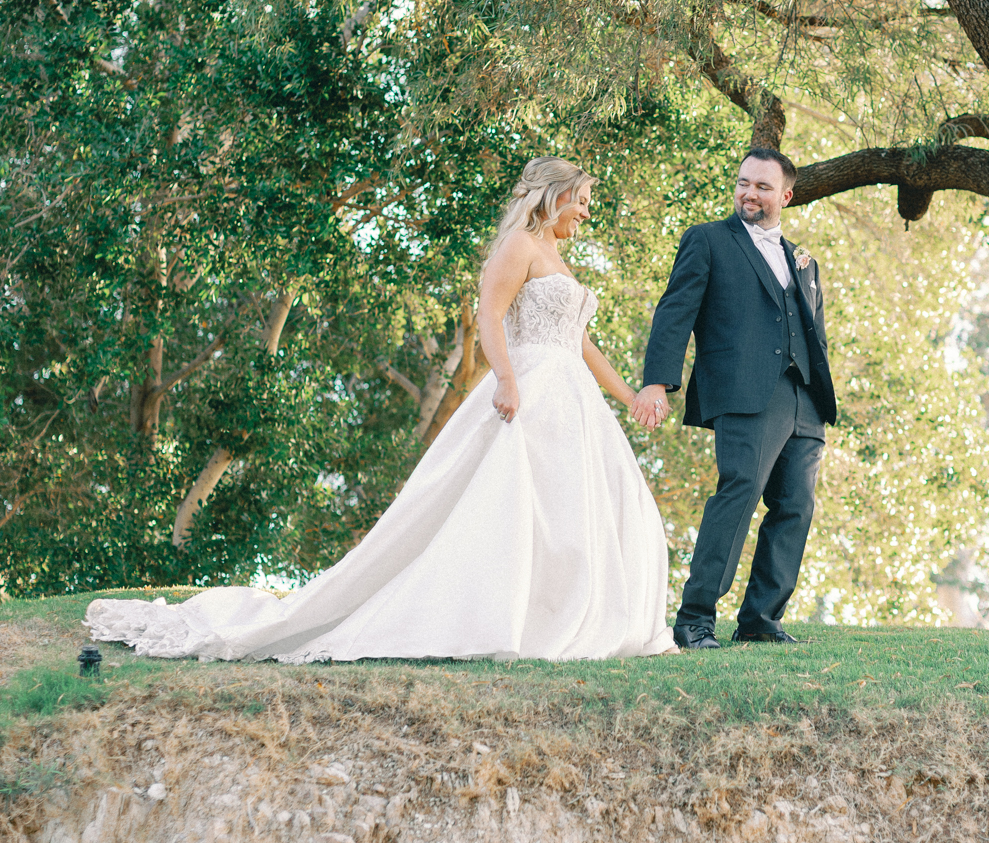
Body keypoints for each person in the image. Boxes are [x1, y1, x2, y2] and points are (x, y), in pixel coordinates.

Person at [87, 158, 676, 663]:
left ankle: (557, 617)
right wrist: (504, 379)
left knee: (594, 515)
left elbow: (580, 341)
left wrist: (630, 397)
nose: (587, 214)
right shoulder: (519, 245)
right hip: (528, 390)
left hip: (570, 399)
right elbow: (490, 315)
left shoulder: (556, 255)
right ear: (558, 195)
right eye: (583, 202)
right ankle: (497, 619)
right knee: (516, 509)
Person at [631, 149, 837, 648]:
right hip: (744, 390)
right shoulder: (707, 240)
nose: (749, 193)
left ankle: (761, 620)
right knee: (739, 491)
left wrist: (820, 391)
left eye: (762, 186)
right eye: (744, 182)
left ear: (785, 196)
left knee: (796, 505)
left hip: (804, 395)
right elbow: (674, 311)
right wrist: (658, 380)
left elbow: (815, 331)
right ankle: (695, 618)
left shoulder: (802, 260)